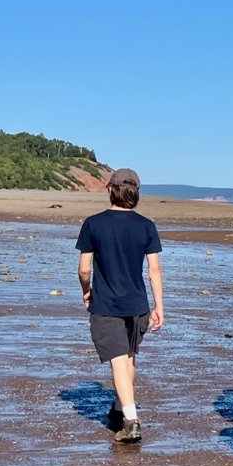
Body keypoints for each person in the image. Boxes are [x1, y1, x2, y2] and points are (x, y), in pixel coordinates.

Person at [75, 168, 164, 444]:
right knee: (128, 359)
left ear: (110, 190)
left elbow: (84, 269)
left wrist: (86, 291)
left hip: (107, 305)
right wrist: (159, 306)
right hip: (138, 305)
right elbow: (154, 271)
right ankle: (118, 408)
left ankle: (131, 421)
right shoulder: (146, 225)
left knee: (118, 360)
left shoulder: (93, 224)